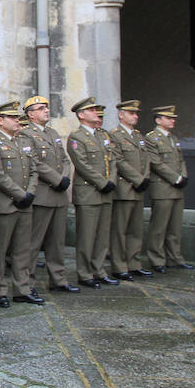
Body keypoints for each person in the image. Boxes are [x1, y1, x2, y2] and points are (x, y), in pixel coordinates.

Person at [0, 101, 43, 308]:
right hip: (4, 203)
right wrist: (20, 194)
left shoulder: (23, 141)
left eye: (18, 117)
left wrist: (30, 192)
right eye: (12, 117)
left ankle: (22, 288)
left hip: (25, 203)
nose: (17, 121)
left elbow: (35, 170)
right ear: (0, 120)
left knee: (22, 249)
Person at [19, 96, 79, 294]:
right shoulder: (25, 134)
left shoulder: (52, 133)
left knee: (57, 242)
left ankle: (58, 279)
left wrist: (64, 178)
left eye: (46, 107)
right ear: (30, 114)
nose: (46, 111)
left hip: (59, 195)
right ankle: (27, 284)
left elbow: (65, 159)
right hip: (43, 195)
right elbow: (33, 161)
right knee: (33, 243)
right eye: (41, 108)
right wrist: (56, 179)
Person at [67, 97, 119, 289]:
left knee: (102, 235)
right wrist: (102, 182)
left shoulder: (103, 136)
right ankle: (84, 273)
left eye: (96, 110)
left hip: (106, 191)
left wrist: (111, 181)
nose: (96, 113)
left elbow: (113, 160)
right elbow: (82, 165)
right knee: (87, 235)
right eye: (91, 110)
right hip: (89, 192)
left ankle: (99, 270)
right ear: (81, 115)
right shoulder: (76, 137)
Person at [144, 105, 193, 272]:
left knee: (175, 226)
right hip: (162, 187)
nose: (173, 120)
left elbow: (181, 160)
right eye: (169, 118)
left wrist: (184, 176)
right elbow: (156, 163)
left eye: (173, 118)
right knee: (159, 226)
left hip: (177, 188)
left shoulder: (173, 138)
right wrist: (176, 178)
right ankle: (157, 260)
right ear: (158, 120)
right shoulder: (151, 138)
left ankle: (175, 257)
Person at [108, 100, 151, 280]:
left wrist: (145, 177)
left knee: (136, 229)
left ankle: (134, 262)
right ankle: (119, 266)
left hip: (138, 188)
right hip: (125, 188)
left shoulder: (139, 136)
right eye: (131, 113)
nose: (135, 116)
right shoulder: (114, 135)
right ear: (121, 115)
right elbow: (118, 160)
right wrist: (138, 179)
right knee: (120, 230)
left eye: (136, 113)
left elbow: (146, 159)